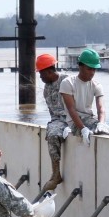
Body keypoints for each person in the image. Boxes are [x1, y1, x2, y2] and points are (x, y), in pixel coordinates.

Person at [59, 48, 109, 146]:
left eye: (94, 69)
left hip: (89, 118)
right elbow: (71, 109)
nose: (92, 72)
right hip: (73, 121)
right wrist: (83, 129)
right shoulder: (68, 83)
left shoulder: (96, 85)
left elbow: (101, 108)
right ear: (80, 66)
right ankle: (69, 129)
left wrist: (101, 123)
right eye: (89, 69)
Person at [36, 53, 69, 191]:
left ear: (49, 71)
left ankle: (56, 174)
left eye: (41, 73)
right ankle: (55, 172)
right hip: (57, 120)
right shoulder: (47, 88)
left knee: (53, 134)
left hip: (69, 118)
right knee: (51, 130)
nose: (40, 77)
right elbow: (52, 111)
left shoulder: (66, 81)